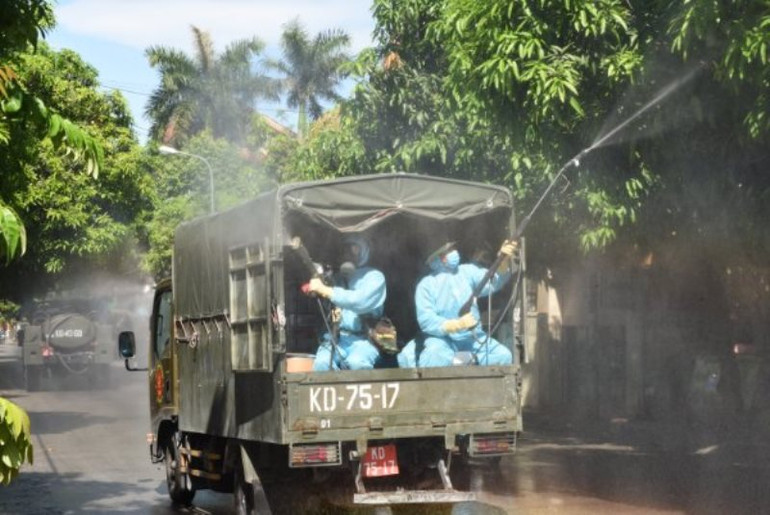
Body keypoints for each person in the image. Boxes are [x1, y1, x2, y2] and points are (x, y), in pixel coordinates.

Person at [397, 240, 517, 368]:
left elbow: (492, 282)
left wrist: (503, 261)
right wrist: (456, 325)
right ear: (440, 258)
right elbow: (426, 320)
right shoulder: (426, 285)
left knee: (503, 356)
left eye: (453, 249)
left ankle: (459, 362)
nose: (454, 253)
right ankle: (464, 363)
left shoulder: (467, 272)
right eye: (448, 251)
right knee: (433, 357)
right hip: (442, 340)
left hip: (471, 337)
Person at [307, 235, 387, 370]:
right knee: (322, 364)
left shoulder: (375, 277)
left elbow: (360, 301)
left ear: (364, 251)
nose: (348, 254)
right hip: (337, 338)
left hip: (365, 339)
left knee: (357, 363)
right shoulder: (335, 279)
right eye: (345, 249)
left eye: (354, 249)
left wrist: (328, 291)